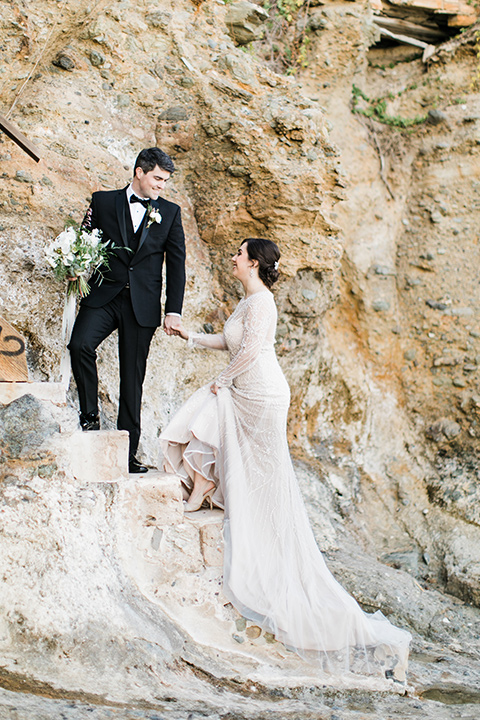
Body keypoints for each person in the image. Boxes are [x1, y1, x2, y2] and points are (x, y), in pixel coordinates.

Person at [160, 237, 411, 682]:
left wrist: (222, 381)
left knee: (229, 429)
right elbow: (229, 341)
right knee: (214, 413)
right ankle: (205, 484)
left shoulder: (264, 304)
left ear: (253, 263)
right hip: (246, 387)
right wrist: (190, 337)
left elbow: (252, 352)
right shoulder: (247, 301)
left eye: (239, 254)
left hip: (263, 394)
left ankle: (205, 486)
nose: (233, 258)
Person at [68, 147, 186, 474]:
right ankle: (89, 419)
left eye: (165, 181)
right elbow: (84, 240)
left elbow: (177, 267)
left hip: (143, 305)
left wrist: (173, 310)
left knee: (131, 379)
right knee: (80, 345)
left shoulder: (171, 212)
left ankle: (127, 453)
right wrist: (74, 266)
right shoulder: (103, 201)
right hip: (105, 294)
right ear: (139, 172)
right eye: (158, 179)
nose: (162, 186)